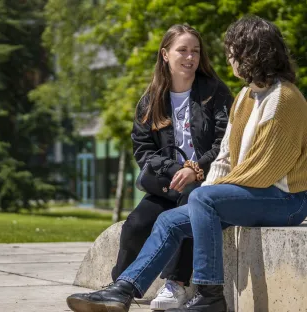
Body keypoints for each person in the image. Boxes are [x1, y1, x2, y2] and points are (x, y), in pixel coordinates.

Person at [66, 15, 307, 312]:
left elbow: (264, 170)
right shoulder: (246, 96)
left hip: (286, 200)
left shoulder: (283, 99)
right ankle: (123, 290)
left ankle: (210, 296)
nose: (228, 57)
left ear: (250, 53)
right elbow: (226, 157)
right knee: (169, 220)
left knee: (203, 198)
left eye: (232, 50)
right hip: (254, 195)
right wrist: (210, 188)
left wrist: (208, 191)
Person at [110, 24, 233, 310]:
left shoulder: (215, 92)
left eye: (195, 51)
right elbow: (142, 150)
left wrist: (194, 168)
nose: (190, 57)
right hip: (167, 183)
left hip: (205, 182)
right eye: (183, 50)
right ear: (165, 54)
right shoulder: (151, 100)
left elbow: (225, 141)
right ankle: (120, 288)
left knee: (193, 207)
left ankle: (176, 285)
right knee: (136, 224)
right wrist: (172, 169)